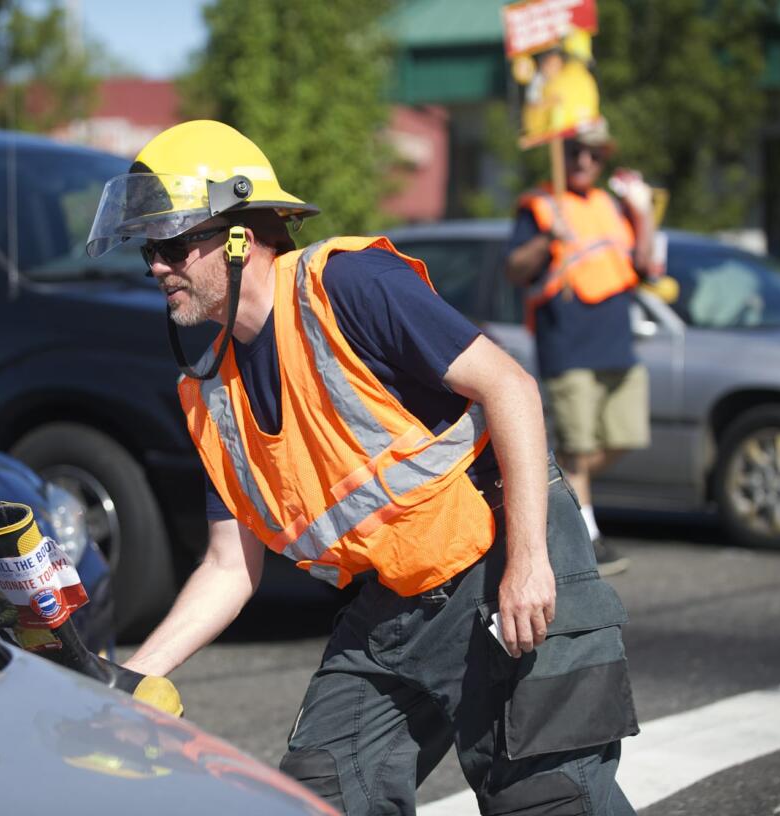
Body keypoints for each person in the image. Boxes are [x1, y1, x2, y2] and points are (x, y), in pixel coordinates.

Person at [85, 120, 638, 815]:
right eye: (147, 251)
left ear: (237, 235)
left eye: (169, 244)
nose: (155, 267)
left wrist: (530, 562)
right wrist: (129, 677)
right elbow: (231, 567)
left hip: (501, 557)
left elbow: (513, 390)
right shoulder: (210, 393)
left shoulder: (346, 284)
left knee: (546, 801)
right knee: (321, 795)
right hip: (394, 606)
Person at [505, 118, 660, 576]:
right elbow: (514, 268)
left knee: (624, 436)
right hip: (568, 345)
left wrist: (645, 212)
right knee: (577, 445)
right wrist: (545, 240)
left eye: (593, 153)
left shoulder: (611, 206)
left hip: (616, 344)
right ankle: (588, 539)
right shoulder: (540, 205)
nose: (584, 161)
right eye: (574, 151)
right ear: (561, 154)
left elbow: (646, 265)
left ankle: (547, 484)